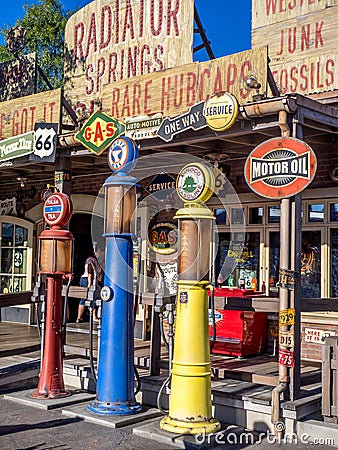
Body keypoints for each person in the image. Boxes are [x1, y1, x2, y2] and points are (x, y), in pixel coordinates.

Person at [76, 246, 104, 323]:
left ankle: (80, 317)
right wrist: (90, 283)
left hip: (90, 280)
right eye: (99, 251)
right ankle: (90, 317)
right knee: (92, 297)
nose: (100, 253)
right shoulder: (90, 260)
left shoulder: (96, 260)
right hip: (87, 280)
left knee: (88, 298)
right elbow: (90, 272)